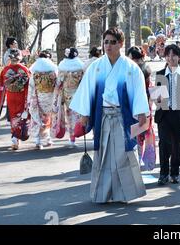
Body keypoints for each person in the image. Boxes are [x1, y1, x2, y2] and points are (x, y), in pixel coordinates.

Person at [69, 27, 149, 203]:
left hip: (122, 116)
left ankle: (125, 193)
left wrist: (141, 113)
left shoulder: (131, 68)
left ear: (120, 44)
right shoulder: (96, 67)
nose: (108, 46)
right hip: (103, 116)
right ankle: (102, 194)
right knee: (103, 154)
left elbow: (138, 92)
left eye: (113, 42)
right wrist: (84, 114)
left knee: (124, 154)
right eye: (106, 42)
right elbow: (87, 91)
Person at [154, 44, 180, 185]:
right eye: (168, 56)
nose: (171, 58)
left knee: (177, 144)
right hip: (163, 114)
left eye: (173, 55)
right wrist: (156, 99)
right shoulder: (159, 74)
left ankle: (174, 172)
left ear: (179, 57)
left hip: (178, 114)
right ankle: (163, 173)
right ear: (165, 57)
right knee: (164, 144)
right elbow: (156, 97)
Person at [0, 49, 30, 150]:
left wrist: (0, 96)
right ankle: (17, 136)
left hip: (11, 95)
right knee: (21, 116)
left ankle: (14, 139)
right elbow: (29, 84)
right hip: (21, 95)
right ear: (19, 57)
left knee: (13, 116)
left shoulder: (5, 70)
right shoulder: (24, 69)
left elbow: (1, 84)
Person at [127, 46, 156, 171]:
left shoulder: (132, 71)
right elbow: (155, 91)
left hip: (134, 107)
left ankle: (136, 161)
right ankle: (147, 160)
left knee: (135, 135)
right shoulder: (147, 71)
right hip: (146, 107)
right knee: (145, 133)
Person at [51, 48, 84, 148]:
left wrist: (56, 96)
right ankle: (77, 133)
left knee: (69, 117)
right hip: (78, 95)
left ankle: (72, 138)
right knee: (77, 116)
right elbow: (83, 83)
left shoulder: (62, 67)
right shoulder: (80, 67)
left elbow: (58, 83)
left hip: (66, 95)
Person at [28, 51, 58, 150]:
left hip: (38, 96)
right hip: (49, 96)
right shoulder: (52, 70)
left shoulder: (35, 71)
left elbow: (31, 85)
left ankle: (38, 140)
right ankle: (48, 138)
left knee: (37, 119)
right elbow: (57, 84)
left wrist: (29, 98)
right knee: (48, 118)